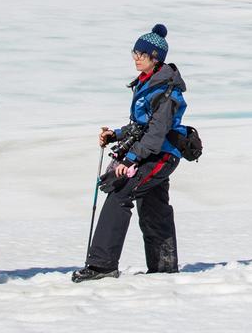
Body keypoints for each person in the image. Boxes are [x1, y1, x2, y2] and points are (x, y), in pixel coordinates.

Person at [73, 24, 187, 282]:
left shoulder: (166, 91)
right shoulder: (147, 84)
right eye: (134, 52)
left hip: (161, 156)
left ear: (155, 58)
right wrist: (116, 134)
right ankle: (164, 269)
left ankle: (102, 266)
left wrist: (130, 159)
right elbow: (140, 126)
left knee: (120, 191)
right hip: (154, 153)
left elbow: (156, 135)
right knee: (153, 207)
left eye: (141, 53)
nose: (136, 57)